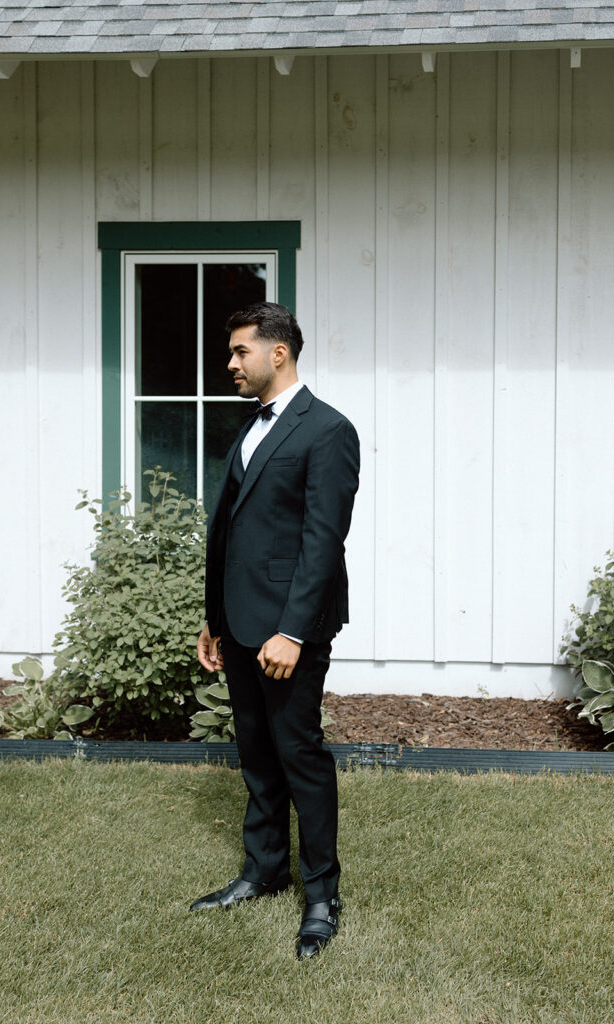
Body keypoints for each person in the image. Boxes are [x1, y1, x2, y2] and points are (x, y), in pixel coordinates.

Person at [192, 301, 360, 961]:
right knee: (256, 750)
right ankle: (264, 869)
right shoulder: (254, 427)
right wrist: (212, 616)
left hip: (289, 629)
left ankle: (321, 895)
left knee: (299, 753)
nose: (230, 363)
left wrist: (291, 631)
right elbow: (233, 532)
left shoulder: (326, 431)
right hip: (238, 623)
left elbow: (322, 541)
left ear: (278, 353)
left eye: (239, 352)